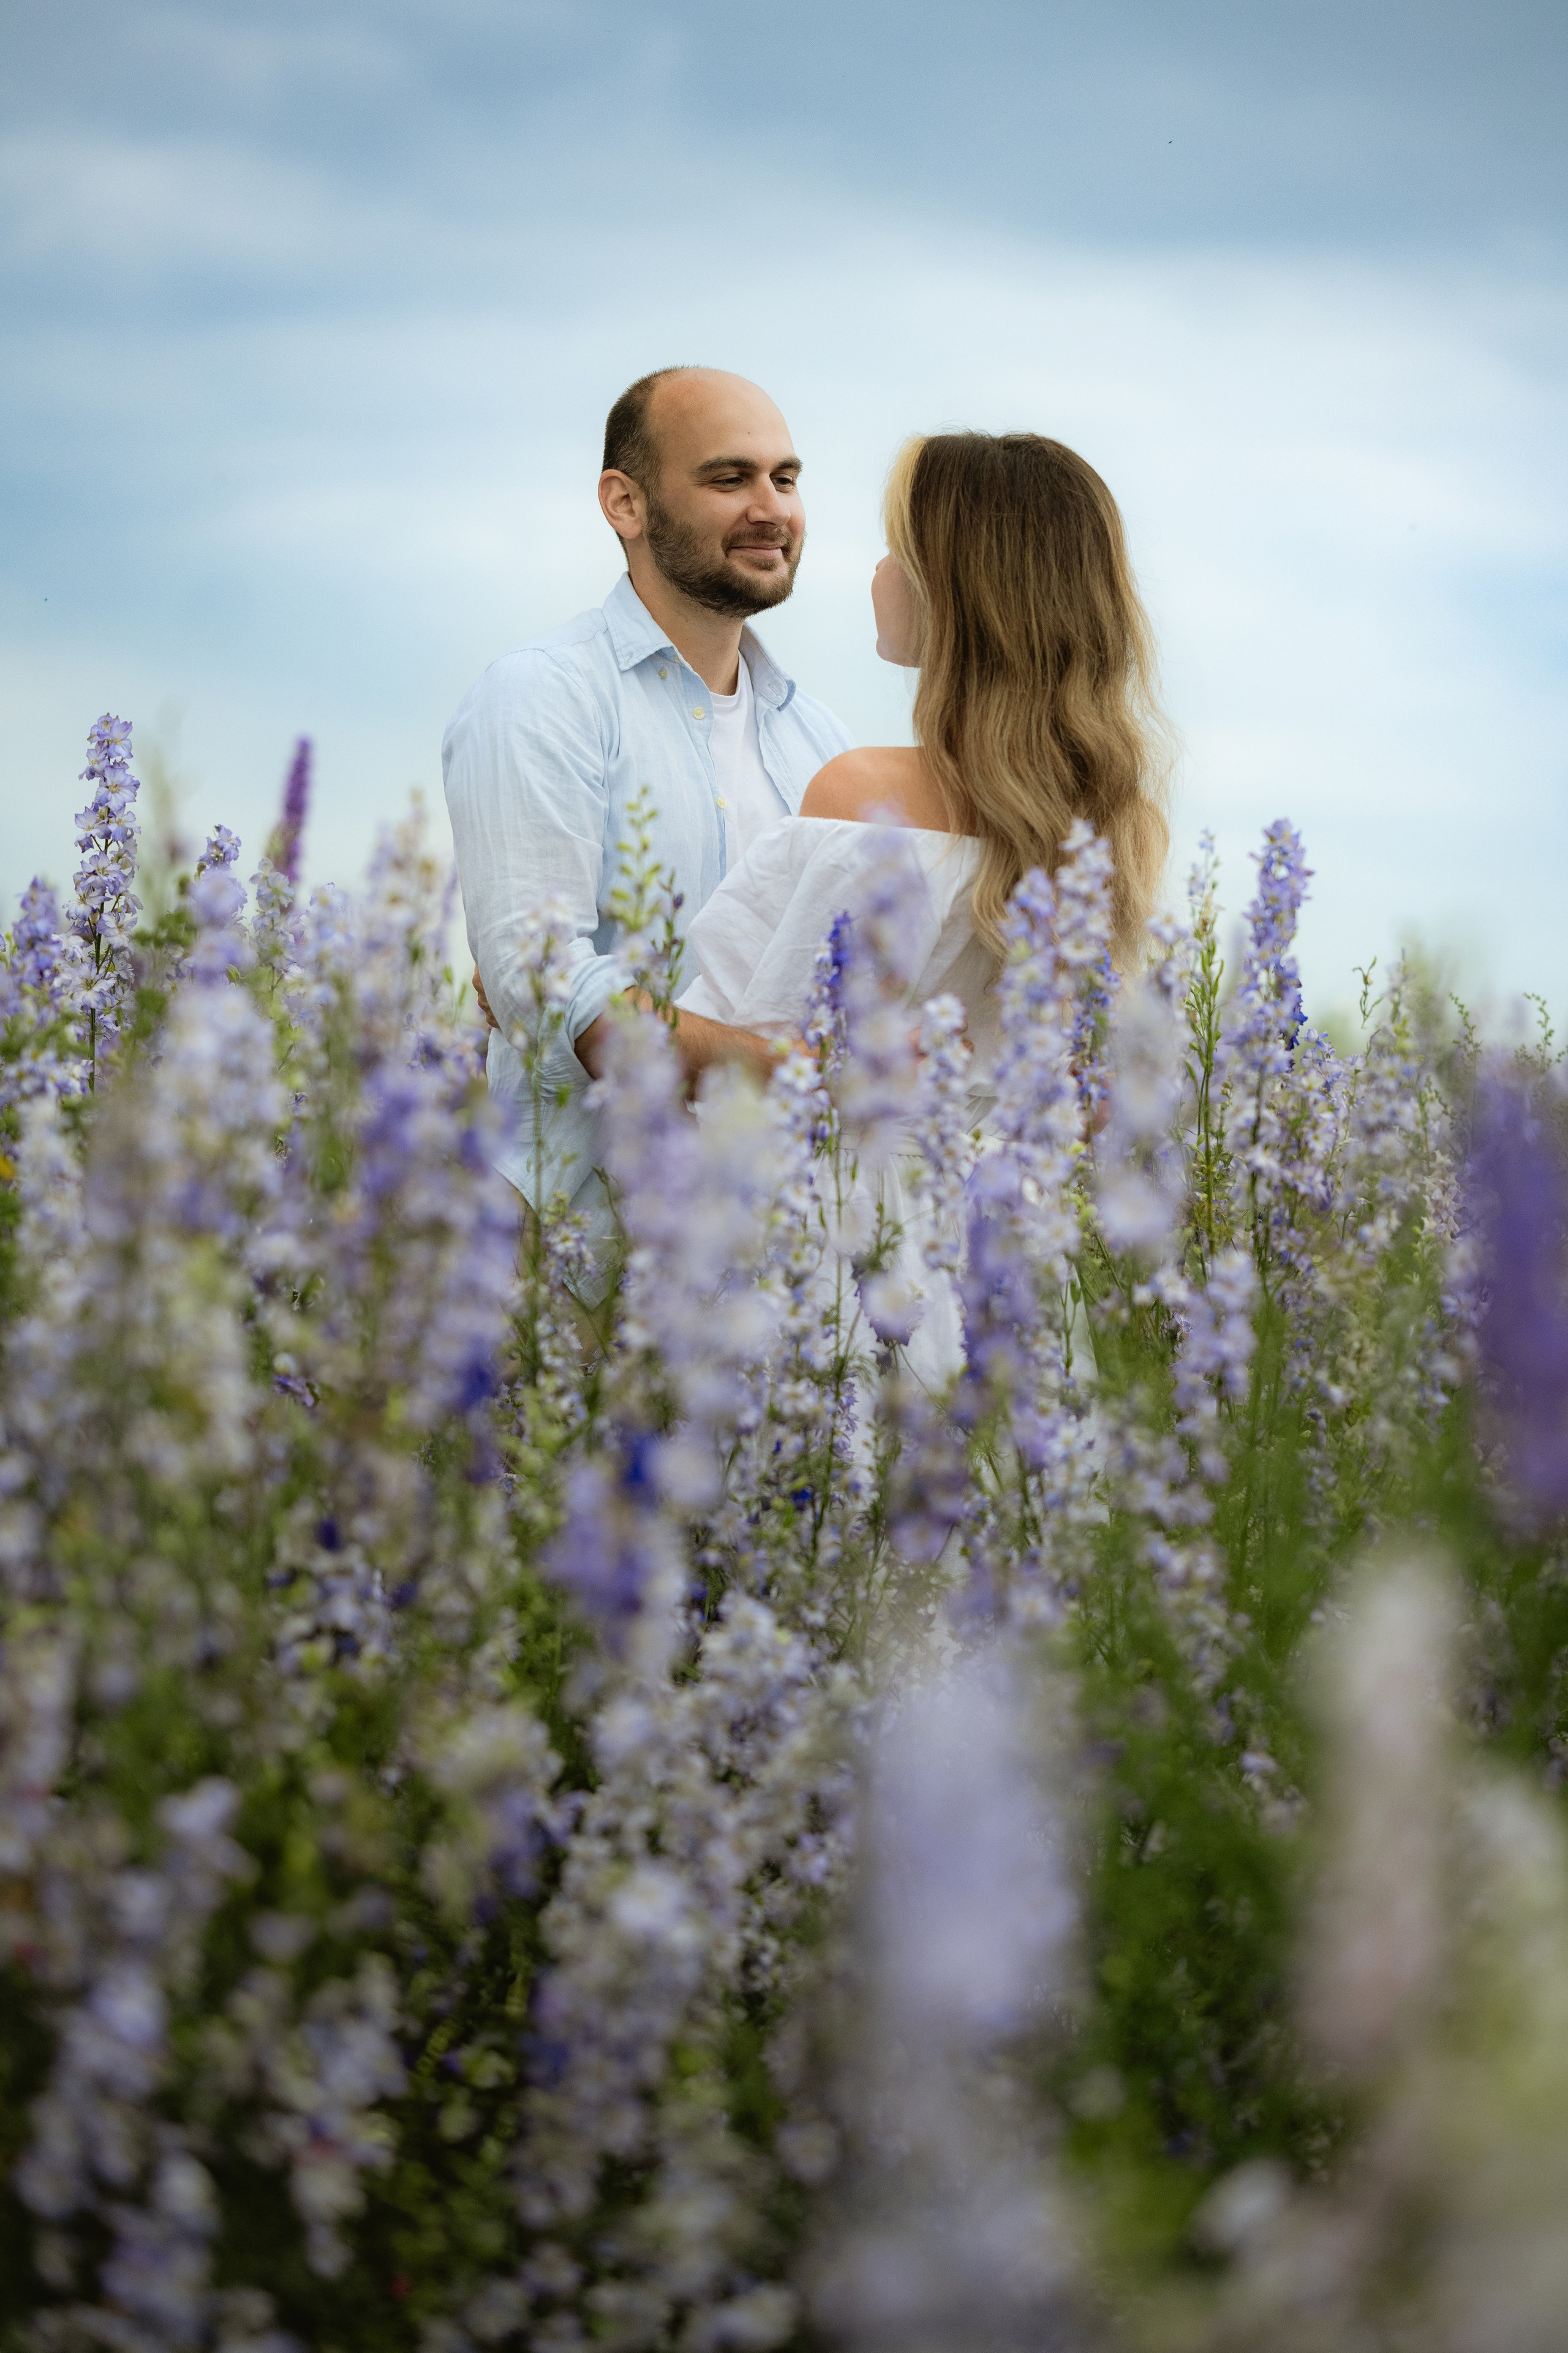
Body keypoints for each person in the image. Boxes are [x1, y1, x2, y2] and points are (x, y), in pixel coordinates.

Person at [676, 429, 1171, 1386]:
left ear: (953, 588)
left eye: (897, 548)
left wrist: (564, 994)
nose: (876, 571)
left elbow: (743, 1062)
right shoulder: (1110, 825)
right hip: (1010, 1258)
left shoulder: (865, 795)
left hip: (842, 1237)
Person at [444, 366, 853, 1214]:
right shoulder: (543, 696)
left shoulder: (822, 744)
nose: (771, 507)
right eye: (729, 477)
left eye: (786, 478)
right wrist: (795, 1074)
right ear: (625, 504)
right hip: (586, 1256)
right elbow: (546, 984)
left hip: (786, 1266)